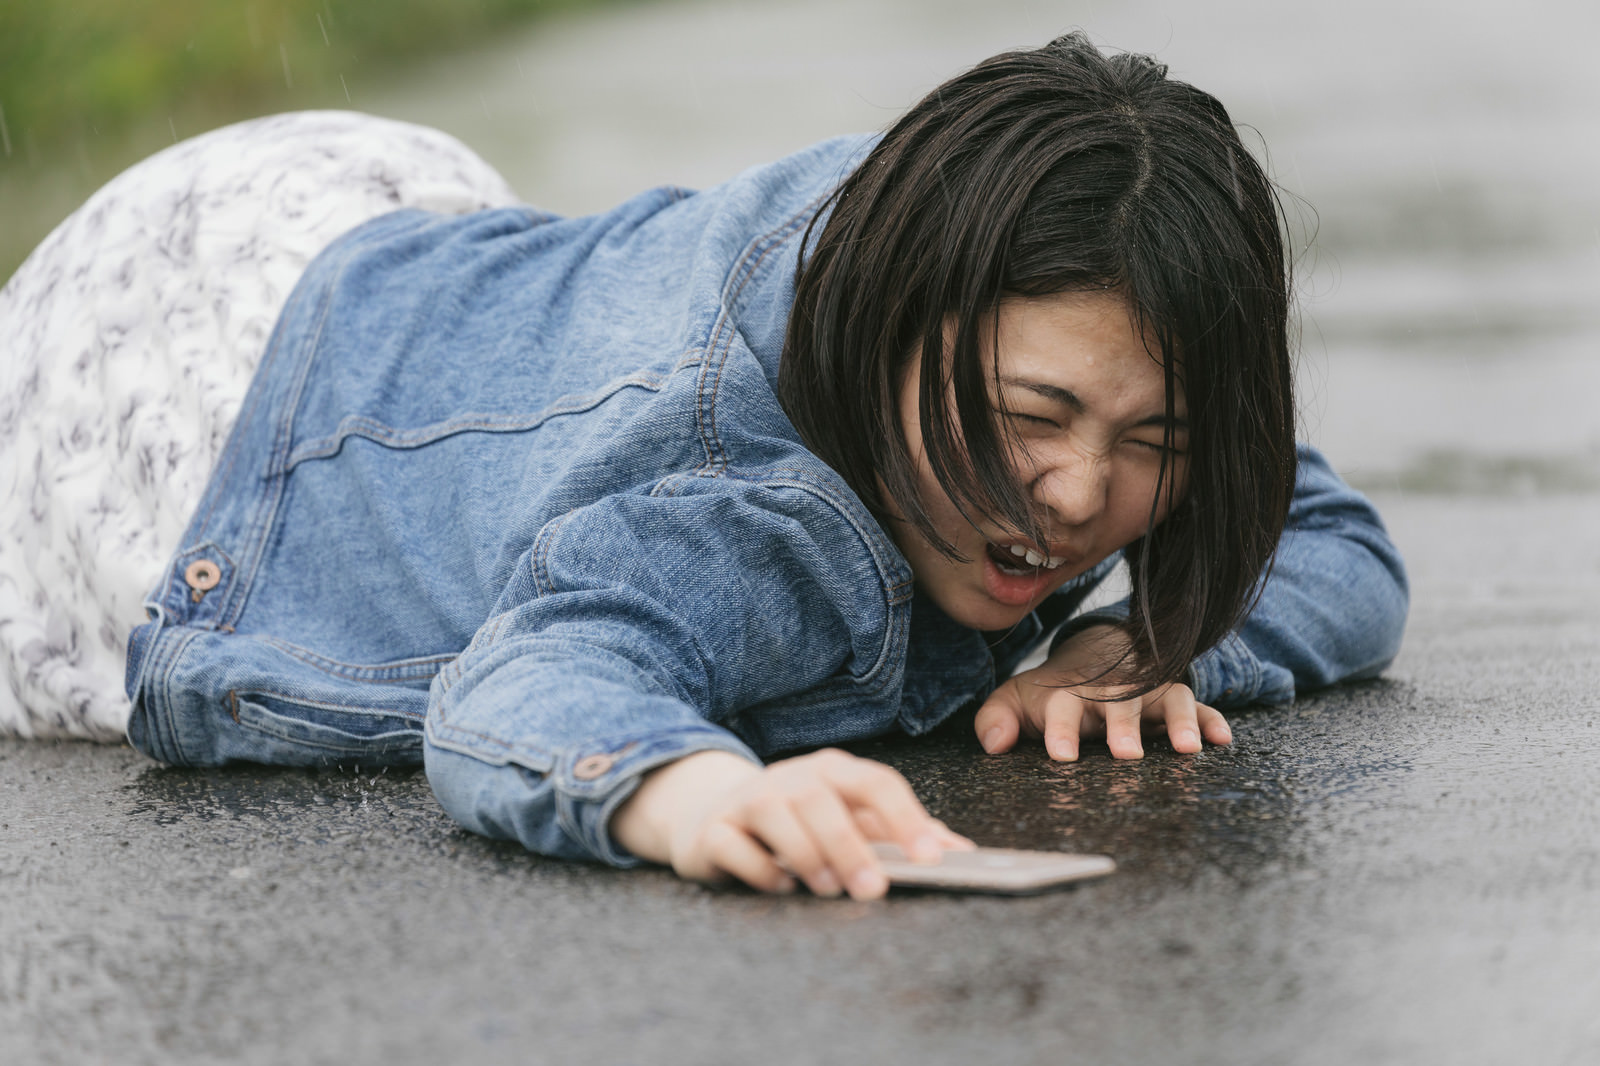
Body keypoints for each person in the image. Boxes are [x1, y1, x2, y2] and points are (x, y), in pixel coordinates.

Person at [0, 34, 1407, 900]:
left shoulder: (1028, 264)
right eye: (1030, 416)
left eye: (1150, 440)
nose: (1080, 495)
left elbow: (1330, 536)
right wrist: (703, 793)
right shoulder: (754, 508)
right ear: (895, 316)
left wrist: (1132, 639)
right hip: (185, 390)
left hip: (402, 241)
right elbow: (530, 682)